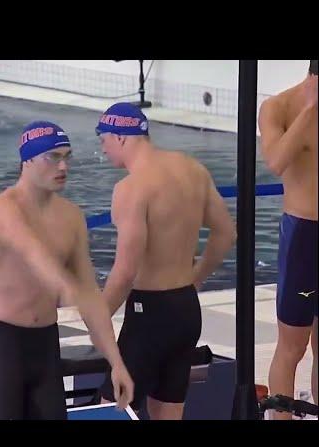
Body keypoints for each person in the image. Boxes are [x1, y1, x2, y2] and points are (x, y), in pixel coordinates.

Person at [0, 121, 134, 420]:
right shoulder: (2, 210)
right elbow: (33, 253)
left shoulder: (71, 217)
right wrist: (69, 289)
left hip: (46, 347)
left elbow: (90, 294)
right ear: (28, 160)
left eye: (66, 157)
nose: (63, 166)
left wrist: (117, 362)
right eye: (53, 157)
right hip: (3, 349)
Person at [95, 103, 236, 420]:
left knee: (109, 410)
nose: (102, 150)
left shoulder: (131, 189)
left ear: (120, 137)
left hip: (150, 316)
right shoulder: (192, 169)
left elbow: (125, 271)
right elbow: (226, 233)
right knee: (168, 413)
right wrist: (195, 279)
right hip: (185, 309)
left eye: (103, 139)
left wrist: (97, 317)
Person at [260, 60, 318, 419]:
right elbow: (276, 161)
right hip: (305, 238)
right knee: (292, 346)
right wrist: (310, 109)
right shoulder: (278, 107)